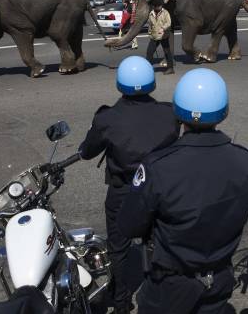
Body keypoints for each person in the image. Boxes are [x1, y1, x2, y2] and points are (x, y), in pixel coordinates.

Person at [117, 68, 248, 314]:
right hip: (220, 278)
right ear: (224, 111)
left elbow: (129, 227)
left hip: (170, 285)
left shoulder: (159, 167)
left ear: (178, 111)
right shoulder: (245, 162)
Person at [78, 56, 180, 314]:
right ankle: (164, 293)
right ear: (152, 83)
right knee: (162, 240)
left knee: (119, 248)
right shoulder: (170, 113)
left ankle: (122, 302)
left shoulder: (107, 118)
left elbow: (88, 151)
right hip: (160, 189)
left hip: (124, 190)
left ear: (119, 84)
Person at [145, 5, 174, 75]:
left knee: (167, 52)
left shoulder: (165, 12)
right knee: (149, 52)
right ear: (154, 6)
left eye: (160, 5)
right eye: (158, 5)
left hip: (163, 36)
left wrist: (163, 28)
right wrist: (149, 33)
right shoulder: (151, 13)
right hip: (154, 36)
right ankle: (147, 69)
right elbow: (150, 24)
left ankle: (170, 68)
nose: (160, 7)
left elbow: (168, 23)